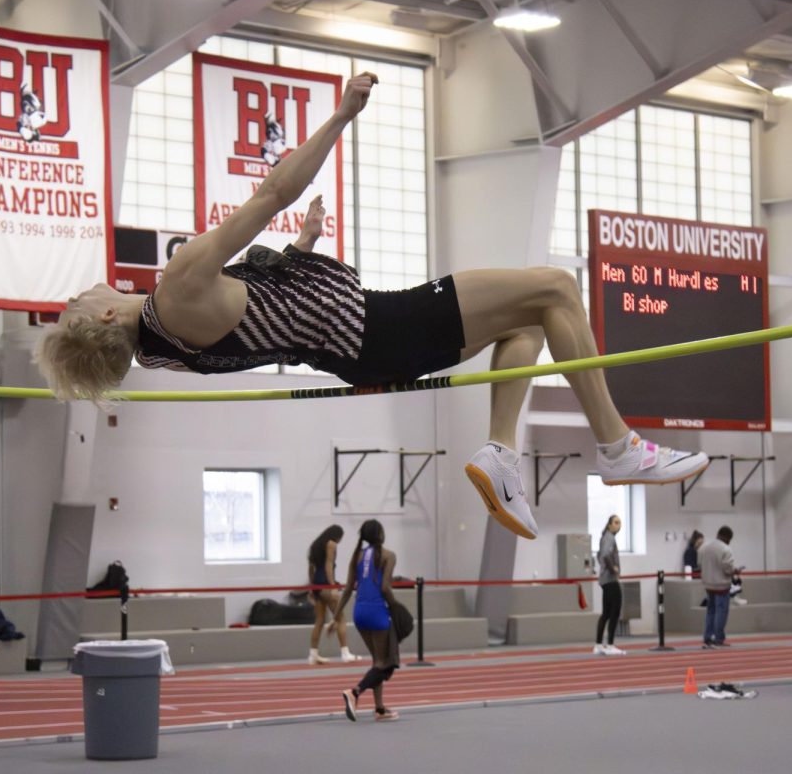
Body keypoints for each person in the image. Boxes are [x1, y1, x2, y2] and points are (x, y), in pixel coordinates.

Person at [35, 73, 709, 543]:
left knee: (535, 315)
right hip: (378, 325)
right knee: (557, 287)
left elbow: (259, 315)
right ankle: (618, 448)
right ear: (101, 318)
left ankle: (502, 454)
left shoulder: (163, 343)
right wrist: (340, 117)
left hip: (363, 347)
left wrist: (301, 247)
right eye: (78, 301)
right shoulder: (176, 285)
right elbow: (271, 190)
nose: (83, 289)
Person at [333, 520, 400, 722]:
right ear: (381, 534)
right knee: (385, 663)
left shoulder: (357, 556)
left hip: (359, 611)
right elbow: (385, 588)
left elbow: (346, 590)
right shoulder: (389, 556)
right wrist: (397, 608)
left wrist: (335, 616)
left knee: (377, 662)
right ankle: (354, 692)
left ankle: (379, 709)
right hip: (377, 611)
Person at [306, 524, 359, 665]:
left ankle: (313, 655)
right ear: (337, 536)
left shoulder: (316, 545)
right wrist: (332, 586)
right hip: (325, 584)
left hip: (317, 584)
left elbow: (311, 568)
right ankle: (345, 653)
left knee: (319, 620)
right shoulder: (331, 544)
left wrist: (312, 587)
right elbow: (329, 565)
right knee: (341, 618)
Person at [699, 526, 739, 649]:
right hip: (721, 586)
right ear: (727, 538)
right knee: (721, 612)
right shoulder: (725, 549)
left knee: (710, 611)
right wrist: (735, 571)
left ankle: (707, 637)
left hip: (708, 584)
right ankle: (719, 638)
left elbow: (700, 564)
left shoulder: (705, 547)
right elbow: (728, 568)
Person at [593, 515, 625, 656]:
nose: (619, 525)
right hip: (610, 580)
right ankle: (610, 644)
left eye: (620, 523)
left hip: (605, 580)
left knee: (606, 613)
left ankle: (598, 644)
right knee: (614, 611)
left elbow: (599, 556)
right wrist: (613, 569)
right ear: (610, 524)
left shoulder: (604, 537)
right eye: (616, 522)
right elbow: (605, 555)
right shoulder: (609, 538)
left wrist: (604, 569)